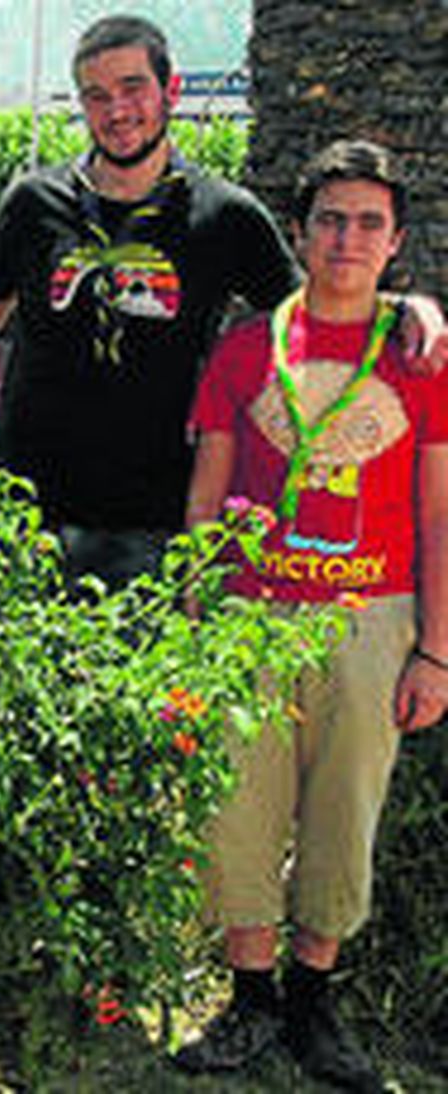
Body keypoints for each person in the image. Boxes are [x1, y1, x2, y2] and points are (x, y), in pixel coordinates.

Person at [0, 14, 444, 588]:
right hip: (23, 513)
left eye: (132, 88)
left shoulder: (224, 215)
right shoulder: (32, 202)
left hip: (152, 523)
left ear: (170, 91)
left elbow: (315, 307)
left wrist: (406, 307)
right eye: (96, 95)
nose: (116, 111)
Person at [175, 140, 448, 1092]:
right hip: (250, 616)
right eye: (330, 218)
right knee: (238, 812)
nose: (347, 238)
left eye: (369, 222)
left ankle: (313, 1006)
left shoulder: (422, 354)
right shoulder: (249, 349)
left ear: (395, 243)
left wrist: (437, 655)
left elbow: (439, 511)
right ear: (300, 231)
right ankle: (248, 999)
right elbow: (206, 496)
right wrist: (196, 616)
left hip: (375, 618)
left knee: (345, 814)